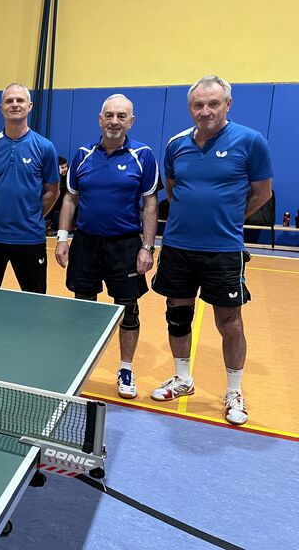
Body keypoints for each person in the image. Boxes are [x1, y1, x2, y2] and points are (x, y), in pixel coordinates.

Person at [151, 75, 273, 425]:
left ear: (227, 105)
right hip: (178, 246)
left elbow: (262, 192)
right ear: (190, 107)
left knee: (230, 323)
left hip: (223, 250)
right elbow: (173, 189)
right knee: (178, 315)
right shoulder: (176, 144)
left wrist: (230, 219)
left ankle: (234, 391)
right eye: (198, 104)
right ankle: (183, 378)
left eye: (213, 103)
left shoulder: (251, 141)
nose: (205, 111)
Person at [54, 94, 159, 399]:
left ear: (131, 121)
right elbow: (70, 198)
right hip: (86, 244)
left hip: (125, 246)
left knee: (129, 311)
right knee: (83, 309)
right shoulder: (83, 154)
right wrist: (62, 238)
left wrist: (147, 247)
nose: (114, 121)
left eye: (121, 116)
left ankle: (125, 369)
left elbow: (150, 204)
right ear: (100, 119)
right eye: (109, 115)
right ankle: (80, 366)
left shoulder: (143, 155)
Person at [0, 83, 60, 293]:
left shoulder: (45, 147)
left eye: (20, 100)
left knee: (35, 300)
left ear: (30, 106)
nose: (15, 104)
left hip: (30, 238)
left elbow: (53, 190)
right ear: (1, 108)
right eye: (9, 101)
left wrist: (33, 215)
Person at [45, 156, 69, 236]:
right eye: (62, 167)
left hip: (64, 200)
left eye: (66, 166)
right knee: (49, 200)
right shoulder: (49, 176)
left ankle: (72, 226)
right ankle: (47, 226)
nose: (65, 169)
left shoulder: (68, 176)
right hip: (53, 201)